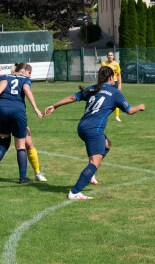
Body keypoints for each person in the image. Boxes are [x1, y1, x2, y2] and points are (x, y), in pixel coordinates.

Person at [44, 66, 145, 200]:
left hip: (82, 127)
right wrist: (139, 107)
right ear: (110, 78)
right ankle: (75, 192)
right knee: (94, 162)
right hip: (94, 129)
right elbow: (130, 111)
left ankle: (90, 173)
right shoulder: (114, 93)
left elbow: (72, 98)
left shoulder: (92, 88)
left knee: (107, 145)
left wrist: (54, 106)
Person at [0, 63, 43, 184]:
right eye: (29, 73)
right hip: (17, 110)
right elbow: (26, 89)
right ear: (23, 71)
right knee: (20, 146)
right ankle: (23, 178)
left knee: (4, 142)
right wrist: (35, 108)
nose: (30, 76)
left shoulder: (6, 76)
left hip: (2, 109)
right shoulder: (25, 79)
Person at [101, 51, 122, 122]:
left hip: (114, 83)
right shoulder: (104, 64)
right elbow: (101, 74)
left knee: (116, 99)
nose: (110, 56)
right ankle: (103, 115)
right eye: (109, 55)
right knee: (105, 99)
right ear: (107, 56)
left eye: (111, 55)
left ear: (113, 56)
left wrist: (119, 85)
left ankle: (117, 116)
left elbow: (119, 75)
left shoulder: (116, 64)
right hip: (106, 84)